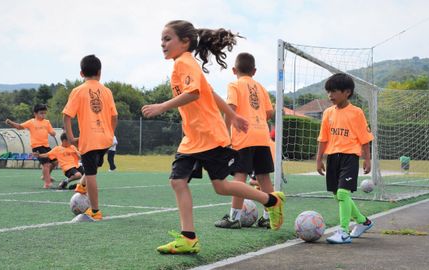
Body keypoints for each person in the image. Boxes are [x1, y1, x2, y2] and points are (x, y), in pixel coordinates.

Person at [141, 20, 285, 254]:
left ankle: (271, 200)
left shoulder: (184, 63)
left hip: (208, 136)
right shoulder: (185, 64)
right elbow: (211, 92)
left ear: (185, 42)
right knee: (180, 181)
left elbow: (195, 93)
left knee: (220, 186)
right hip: (194, 138)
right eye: (161, 40)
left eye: (167, 39)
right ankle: (189, 238)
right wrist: (233, 115)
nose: (162, 44)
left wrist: (162, 106)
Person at [214, 52, 275, 229]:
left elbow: (230, 108)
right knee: (264, 177)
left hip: (244, 136)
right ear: (254, 71)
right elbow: (269, 112)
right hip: (262, 136)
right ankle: (269, 216)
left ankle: (234, 217)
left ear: (234, 70)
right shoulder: (261, 87)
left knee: (239, 176)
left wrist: (225, 132)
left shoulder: (234, 85)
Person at [316, 73, 374, 244]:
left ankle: (343, 232)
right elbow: (323, 138)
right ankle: (363, 221)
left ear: (347, 92)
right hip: (333, 158)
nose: (330, 96)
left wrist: (367, 159)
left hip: (350, 157)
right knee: (337, 195)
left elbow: (365, 138)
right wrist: (319, 159)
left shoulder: (357, 113)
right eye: (328, 92)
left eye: (333, 91)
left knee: (342, 193)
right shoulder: (327, 113)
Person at [63, 54, 118, 221]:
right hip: (105, 139)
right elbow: (114, 116)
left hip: (89, 140)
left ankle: (95, 211)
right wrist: (110, 132)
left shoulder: (78, 91)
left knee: (91, 173)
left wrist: (72, 138)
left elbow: (67, 116)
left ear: (81, 73)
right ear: (100, 72)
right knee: (93, 166)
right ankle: (81, 185)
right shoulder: (107, 91)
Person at [5, 104, 57, 188]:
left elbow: (51, 132)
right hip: (37, 147)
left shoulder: (47, 122)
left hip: (46, 146)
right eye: (41, 113)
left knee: (55, 162)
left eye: (44, 113)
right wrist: (10, 122)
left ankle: (45, 176)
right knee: (46, 164)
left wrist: (53, 133)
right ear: (35, 114)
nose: (43, 115)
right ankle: (47, 183)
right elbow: (19, 127)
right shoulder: (31, 122)